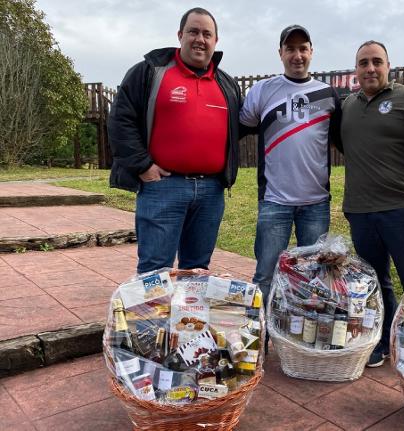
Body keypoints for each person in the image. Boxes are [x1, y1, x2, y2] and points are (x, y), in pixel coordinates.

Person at [108, 8, 243, 274]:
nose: (200, 39)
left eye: (207, 34)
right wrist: (142, 166)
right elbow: (120, 121)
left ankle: (187, 318)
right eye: (193, 31)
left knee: (197, 272)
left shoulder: (226, 83)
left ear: (216, 41)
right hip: (163, 187)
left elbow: (242, 126)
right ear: (180, 35)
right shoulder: (150, 72)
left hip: (211, 192)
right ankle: (151, 318)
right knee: (155, 271)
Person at [337, 41, 404, 367]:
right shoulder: (348, 106)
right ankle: (385, 341)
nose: (370, 68)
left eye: (376, 62)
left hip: (402, 209)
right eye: (363, 63)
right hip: (360, 211)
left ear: (388, 66)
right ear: (356, 70)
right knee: (375, 282)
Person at [239, 25, 341, 305]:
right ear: (280, 53)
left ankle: (303, 338)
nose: (297, 55)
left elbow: (341, 140)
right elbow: (236, 128)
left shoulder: (328, 94)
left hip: (316, 203)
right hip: (274, 202)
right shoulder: (263, 90)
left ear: (311, 52)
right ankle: (260, 340)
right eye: (290, 49)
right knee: (265, 275)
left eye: (303, 48)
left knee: (316, 277)